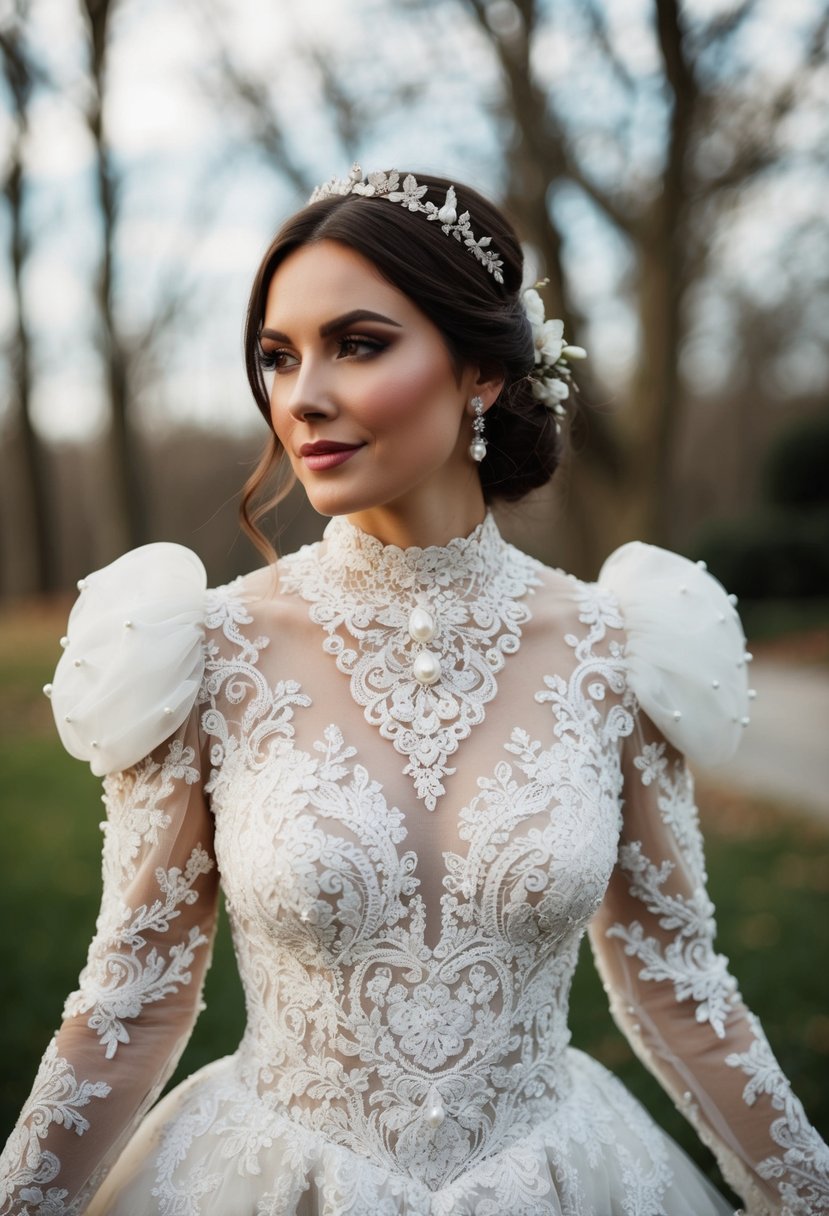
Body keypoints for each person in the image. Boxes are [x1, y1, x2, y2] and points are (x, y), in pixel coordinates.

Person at [1, 167, 826, 1216]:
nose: (302, 395)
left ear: (479, 368)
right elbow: (133, 998)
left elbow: (679, 986)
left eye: (357, 343)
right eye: (277, 356)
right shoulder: (204, 646)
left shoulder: (618, 646)